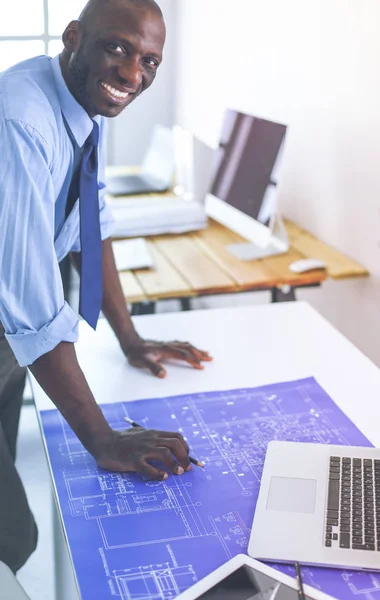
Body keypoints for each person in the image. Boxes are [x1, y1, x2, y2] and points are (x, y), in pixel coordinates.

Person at [0, 0, 212, 573]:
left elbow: (90, 226)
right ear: (74, 36)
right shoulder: (20, 119)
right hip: (10, 328)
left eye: (149, 61)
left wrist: (130, 338)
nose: (132, 74)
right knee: (12, 538)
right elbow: (30, 306)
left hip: (8, 349)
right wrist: (102, 440)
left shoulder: (81, 101)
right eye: (117, 48)